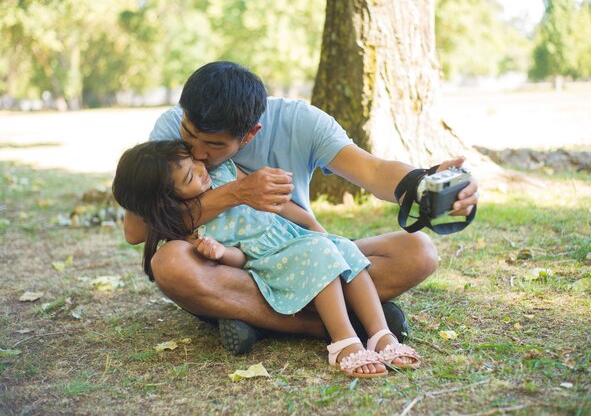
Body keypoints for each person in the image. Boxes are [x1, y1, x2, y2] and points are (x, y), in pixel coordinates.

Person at [123, 61, 479, 354]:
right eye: (189, 136)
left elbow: (372, 169)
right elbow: (136, 231)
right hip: (228, 269)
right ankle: (331, 326)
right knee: (170, 264)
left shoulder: (300, 122)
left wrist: (423, 183)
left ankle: (255, 321)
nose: (197, 154)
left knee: (419, 252)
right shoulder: (169, 130)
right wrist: (236, 193)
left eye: (213, 145)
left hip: (300, 256)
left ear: (249, 134)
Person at [113, 140, 421, 377]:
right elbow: (241, 258)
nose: (200, 166)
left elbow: (279, 205)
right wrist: (221, 253)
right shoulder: (193, 226)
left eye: (194, 160)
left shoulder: (223, 170)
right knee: (319, 256)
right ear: (167, 198)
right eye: (190, 175)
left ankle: (382, 334)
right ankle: (342, 339)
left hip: (294, 238)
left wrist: (316, 228)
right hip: (271, 260)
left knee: (344, 252)